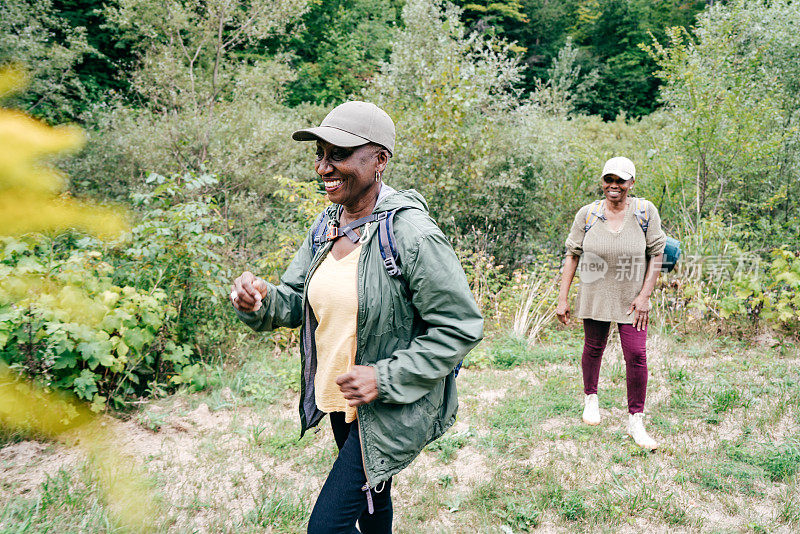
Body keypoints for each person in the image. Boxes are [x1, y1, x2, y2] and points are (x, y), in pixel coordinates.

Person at [230, 100, 483, 533]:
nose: (324, 167)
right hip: (339, 397)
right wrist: (259, 301)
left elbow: (460, 326)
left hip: (389, 403)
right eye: (321, 154)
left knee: (326, 527)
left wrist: (383, 377)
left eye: (340, 154)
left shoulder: (412, 234)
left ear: (381, 160)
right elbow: (295, 299)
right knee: (372, 500)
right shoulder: (328, 223)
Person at [555, 156, 666, 450]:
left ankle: (636, 421)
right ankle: (591, 399)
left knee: (636, 355)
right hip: (595, 292)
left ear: (631, 183)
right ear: (602, 182)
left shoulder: (644, 211)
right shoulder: (588, 214)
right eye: (609, 180)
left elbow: (658, 252)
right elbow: (572, 254)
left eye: (620, 181)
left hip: (633, 299)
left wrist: (644, 297)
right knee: (593, 348)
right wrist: (562, 298)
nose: (613, 186)